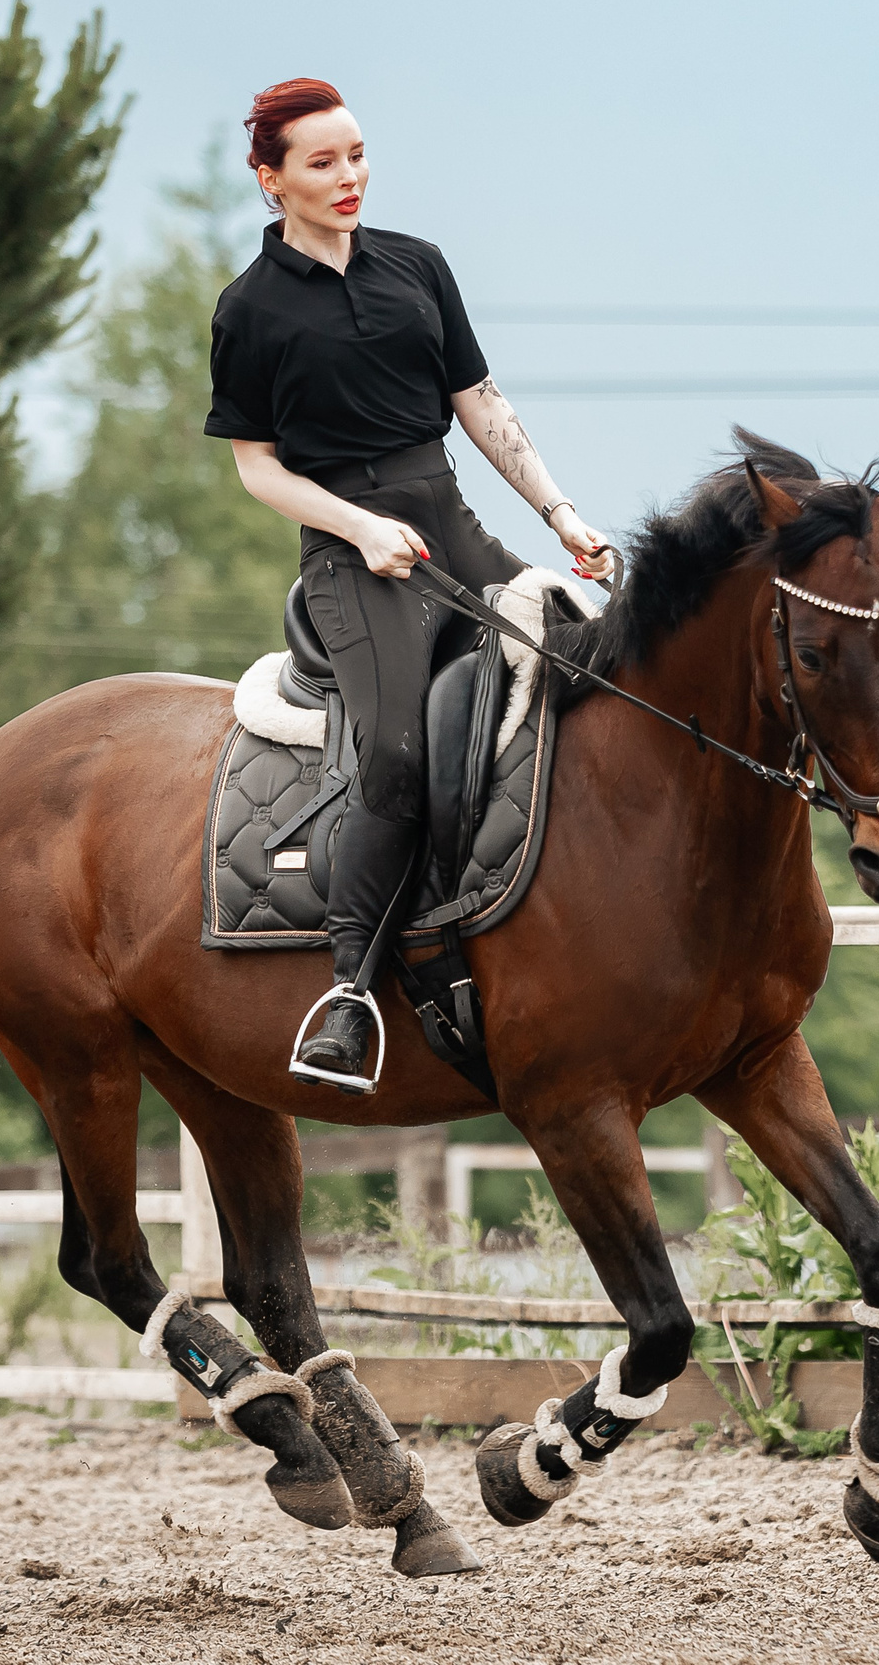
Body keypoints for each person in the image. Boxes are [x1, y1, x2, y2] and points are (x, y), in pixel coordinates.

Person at [208, 77, 611, 1085]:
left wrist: (561, 515)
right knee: (394, 749)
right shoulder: (248, 310)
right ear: (270, 180)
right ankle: (349, 992)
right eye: (322, 162)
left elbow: (479, 401)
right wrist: (357, 527)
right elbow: (257, 466)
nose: (350, 176)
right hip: (353, 557)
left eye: (356, 154)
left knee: (597, 654)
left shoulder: (418, 265)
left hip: (449, 523)